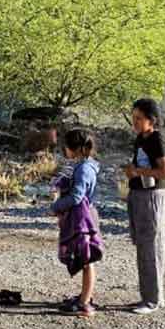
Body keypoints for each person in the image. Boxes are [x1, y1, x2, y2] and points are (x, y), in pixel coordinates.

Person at [124, 98, 165, 315]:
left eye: (139, 118)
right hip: (139, 195)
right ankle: (151, 296)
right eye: (133, 118)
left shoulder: (157, 139)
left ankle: (152, 300)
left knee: (151, 246)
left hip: (152, 197)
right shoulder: (140, 139)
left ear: (151, 120)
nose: (135, 122)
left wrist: (139, 172)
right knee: (144, 245)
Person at [50, 129, 103, 318]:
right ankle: (84, 297)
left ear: (75, 148)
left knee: (86, 260)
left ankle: (85, 303)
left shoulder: (83, 169)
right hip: (85, 216)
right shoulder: (85, 165)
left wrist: (57, 206)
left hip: (82, 219)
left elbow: (77, 196)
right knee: (85, 258)